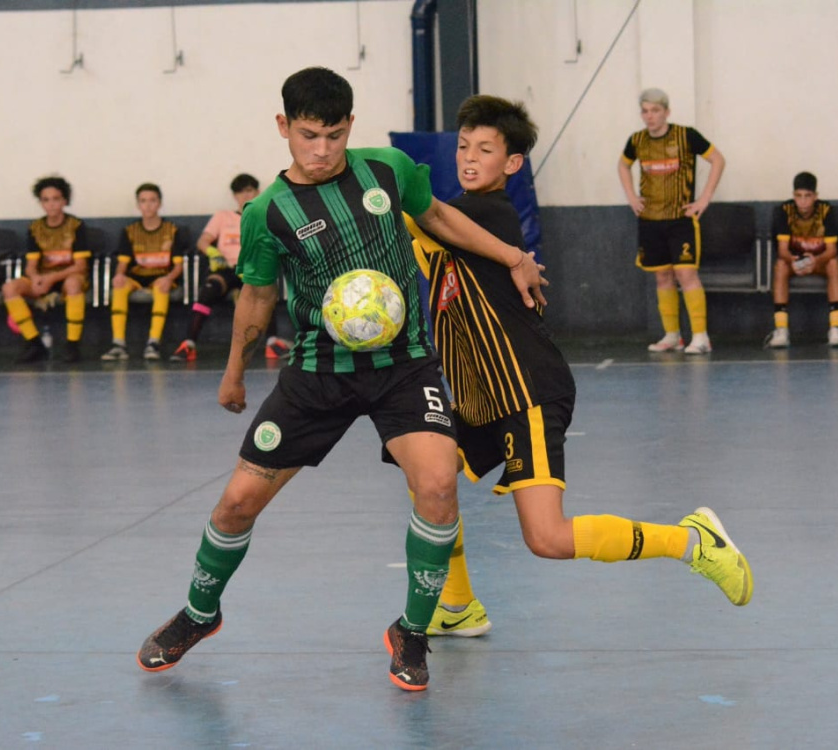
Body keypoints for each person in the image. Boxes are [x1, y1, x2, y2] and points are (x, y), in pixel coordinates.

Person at [136, 66, 548, 692]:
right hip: (316, 374)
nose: (322, 150)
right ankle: (199, 612)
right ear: (284, 128)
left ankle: (412, 630)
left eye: (333, 134)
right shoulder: (267, 213)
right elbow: (256, 297)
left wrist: (515, 256)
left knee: (438, 485)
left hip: (403, 367)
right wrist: (233, 372)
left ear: (350, 127)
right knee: (237, 502)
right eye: (308, 136)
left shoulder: (387, 168)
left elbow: (437, 216)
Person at [405, 95, 752, 626]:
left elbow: (412, 209)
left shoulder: (484, 213)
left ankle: (692, 541)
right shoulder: (455, 222)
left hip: (526, 392)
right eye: (463, 147)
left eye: (485, 149)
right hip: (480, 396)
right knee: (427, 474)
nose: (469, 158)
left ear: (512, 163)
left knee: (547, 539)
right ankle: (456, 606)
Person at [618, 88, 726, 354]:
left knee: (686, 274)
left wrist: (704, 198)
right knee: (662, 277)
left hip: (681, 219)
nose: (649, 116)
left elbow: (718, 160)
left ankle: (700, 337)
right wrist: (632, 196)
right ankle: (672, 336)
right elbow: (622, 165)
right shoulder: (637, 140)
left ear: (666, 111)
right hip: (650, 220)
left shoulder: (686, 135)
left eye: (655, 110)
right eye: (645, 111)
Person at [169, 173, 291, 362]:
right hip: (225, 268)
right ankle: (188, 344)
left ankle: (272, 343)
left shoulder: (264, 216)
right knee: (208, 291)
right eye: (240, 192)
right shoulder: (222, 217)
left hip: (251, 269)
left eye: (249, 190)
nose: (245, 196)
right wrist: (212, 252)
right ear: (234, 196)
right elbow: (203, 241)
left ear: (257, 192)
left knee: (264, 291)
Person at [3, 176, 91, 363]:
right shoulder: (35, 228)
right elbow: (31, 266)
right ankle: (34, 343)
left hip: (69, 277)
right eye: (46, 200)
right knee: (10, 288)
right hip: (44, 279)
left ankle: (72, 345)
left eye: (56, 199)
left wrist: (51, 278)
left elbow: (80, 265)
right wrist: (35, 278)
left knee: (74, 283)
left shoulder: (76, 226)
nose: (51, 204)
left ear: (65, 201)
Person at [101, 183, 187, 361]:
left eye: (152, 200)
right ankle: (118, 344)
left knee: (162, 288)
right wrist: (119, 275)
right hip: (137, 277)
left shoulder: (172, 230)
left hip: (162, 276)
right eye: (143, 201)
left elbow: (178, 265)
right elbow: (123, 262)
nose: (148, 205)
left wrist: (168, 278)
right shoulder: (130, 231)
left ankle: (153, 343)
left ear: (160, 203)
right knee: (119, 286)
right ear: (138, 205)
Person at [765, 172, 838, 348]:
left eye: (807, 196)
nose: (803, 201)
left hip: (819, 261)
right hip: (794, 262)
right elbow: (782, 250)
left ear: (815, 196)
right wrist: (794, 262)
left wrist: (814, 261)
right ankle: (781, 330)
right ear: (793, 196)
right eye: (798, 196)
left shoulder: (827, 211)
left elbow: (832, 250)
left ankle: (835, 328)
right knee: (780, 265)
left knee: (834, 264)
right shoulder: (784, 211)